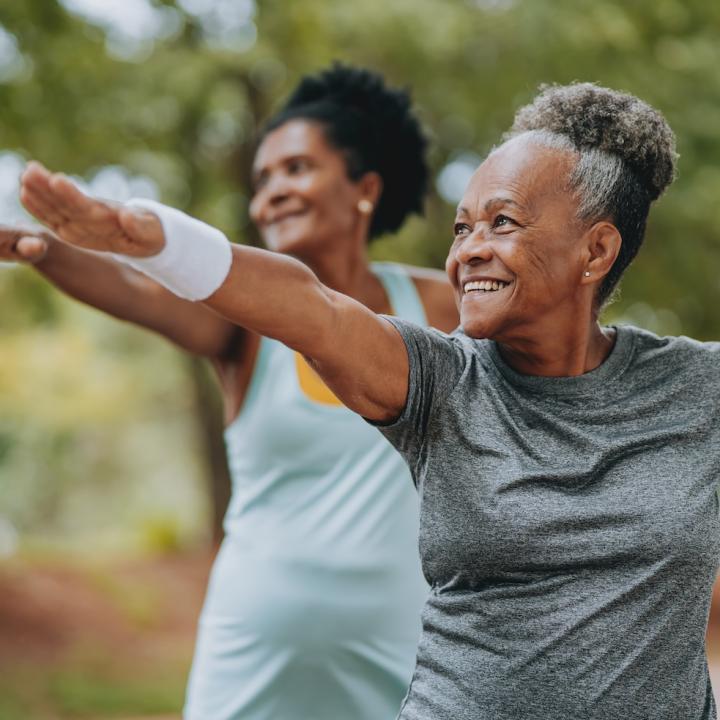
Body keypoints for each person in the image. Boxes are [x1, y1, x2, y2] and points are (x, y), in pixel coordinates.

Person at [15, 80, 718, 720]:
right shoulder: (440, 380)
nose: (469, 249)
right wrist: (154, 241)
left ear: (596, 251)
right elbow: (311, 307)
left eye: (502, 223)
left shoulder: (696, 390)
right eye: (462, 227)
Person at [2, 65, 458, 720]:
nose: (270, 194)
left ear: (365, 188)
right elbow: (136, 292)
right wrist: (47, 248)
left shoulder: (437, 307)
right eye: (262, 180)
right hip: (253, 659)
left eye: (296, 168)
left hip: (407, 656)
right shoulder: (245, 326)